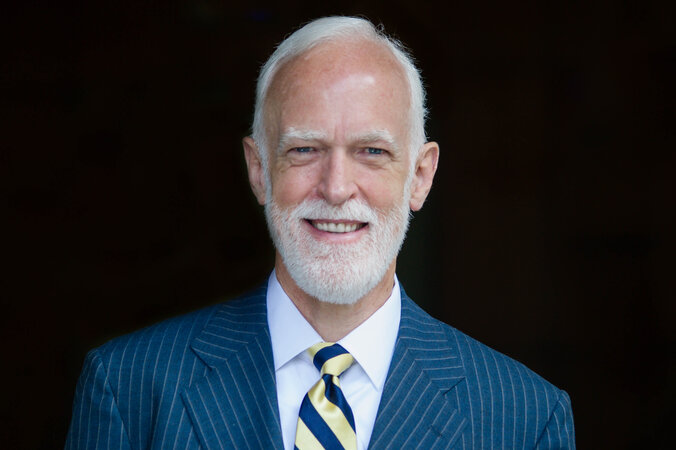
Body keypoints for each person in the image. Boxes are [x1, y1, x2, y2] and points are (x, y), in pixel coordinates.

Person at [66, 16, 575, 449]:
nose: (335, 188)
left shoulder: (524, 418)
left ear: (420, 176)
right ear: (259, 169)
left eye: (371, 152)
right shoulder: (130, 387)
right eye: (305, 150)